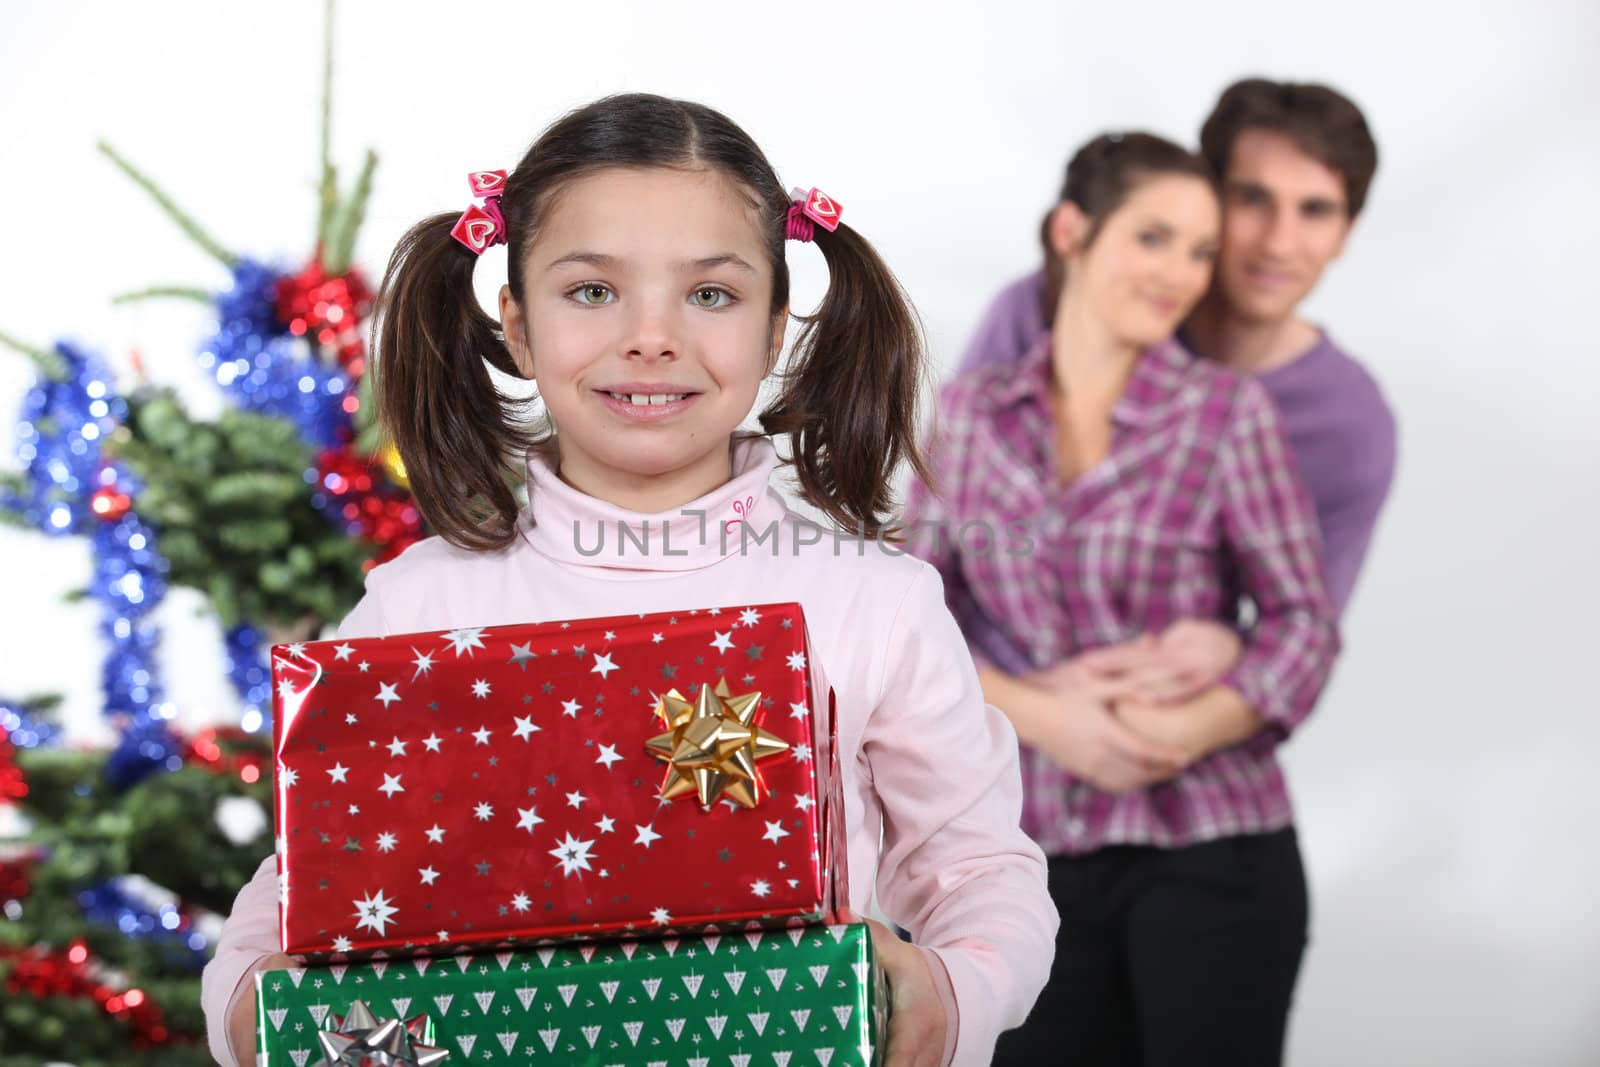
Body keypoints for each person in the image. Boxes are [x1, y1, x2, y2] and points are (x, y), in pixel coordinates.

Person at [198, 93, 1055, 1067]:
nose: (652, 337)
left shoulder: (873, 603)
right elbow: (303, 880)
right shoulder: (415, 604)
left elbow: (976, 867)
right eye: (593, 291)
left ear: (776, 327)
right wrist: (246, 1005)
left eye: (711, 294)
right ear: (515, 324)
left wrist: (952, 991)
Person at [903, 132, 1339, 1065]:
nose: (1180, 271)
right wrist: (1051, 719)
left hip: (1217, 847)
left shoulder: (1227, 414)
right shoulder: (971, 414)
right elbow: (909, 622)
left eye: (1200, 251)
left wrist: (1181, 731)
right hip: (1024, 854)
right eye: (1154, 238)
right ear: (1073, 231)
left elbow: (1303, 622)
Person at [960, 79, 1394, 701]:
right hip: (985, 712)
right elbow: (935, 545)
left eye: (1316, 210)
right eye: (1252, 199)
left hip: (1164, 713)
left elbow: (1302, 633)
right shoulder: (1044, 312)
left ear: (1348, 232)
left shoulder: (1350, 425)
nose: (1278, 242)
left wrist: (1232, 648)